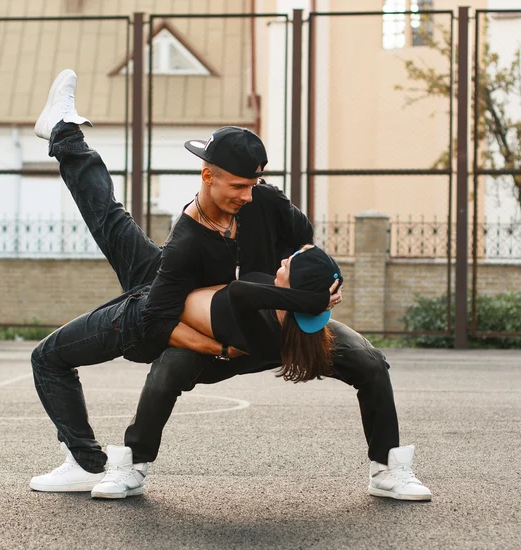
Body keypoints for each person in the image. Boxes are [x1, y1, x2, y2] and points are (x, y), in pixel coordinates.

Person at [30, 70, 431, 503]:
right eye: (239, 186)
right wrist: (221, 350)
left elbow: (307, 247)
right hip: (205, 329)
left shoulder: (266, 201)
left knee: (370, 362)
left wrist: (325, 285)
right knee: (159, 348)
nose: (248, 194)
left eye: (254, 183)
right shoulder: (185, 243)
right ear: (207, 176)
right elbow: (160, 321)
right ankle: (125, 465)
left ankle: (388, 469)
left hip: (271, 325)